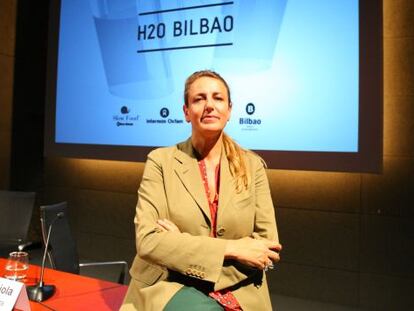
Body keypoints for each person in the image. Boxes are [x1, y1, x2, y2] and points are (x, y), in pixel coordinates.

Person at [121, 70, 281, 311]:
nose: (209, 105)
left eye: (217, 98)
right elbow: (148, 241)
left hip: (240, 291)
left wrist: (178, 244)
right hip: (169, 283)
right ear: (186, 112)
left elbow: (267, 249)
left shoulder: (253, 165)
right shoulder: (160, 161)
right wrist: (233, 249)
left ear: (229, 109)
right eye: (199, 99)